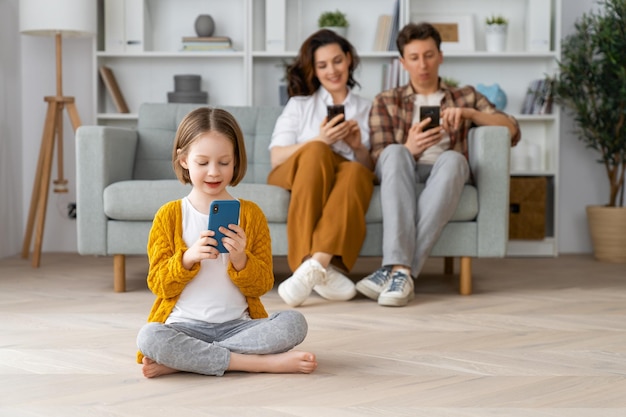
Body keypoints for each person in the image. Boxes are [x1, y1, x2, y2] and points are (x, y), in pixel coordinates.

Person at [136, 107, 317, 377]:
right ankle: (257, 363)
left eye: (223, 162)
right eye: (202, 162)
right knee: (149, 337)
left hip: (238, 326)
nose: (213, 172)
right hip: (184, 326)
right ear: (184, 160)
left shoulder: (251, 215)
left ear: (236, 161)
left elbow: (263, 283)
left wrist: (240, 259)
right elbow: (158, 284)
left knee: (294, 323)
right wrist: (187, 259)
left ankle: (187, 359)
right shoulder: (169, 216)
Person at [356, 22, 521, 307]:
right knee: (395, 152)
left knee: (455, 159)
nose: (423, 64)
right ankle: (403, 272)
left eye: (429, 55)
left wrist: (469, 113)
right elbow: (376, 157)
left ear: (440, 56)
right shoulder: (386, 100)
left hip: (445, 174)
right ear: (403, 62)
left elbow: (512, 130)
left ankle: (396, 270)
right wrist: (410, 148)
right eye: (415, 57)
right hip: (401, 170)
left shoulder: (464, 96)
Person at [267, 29, 376, 307]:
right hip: (296, 171)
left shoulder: (368, 108)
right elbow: (277, 157)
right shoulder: (299, 105)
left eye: (337, 61)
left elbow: (369, 170)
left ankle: (317, 265)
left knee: (354, 171)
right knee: (316, 151)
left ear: (349, 59)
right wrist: (320, 140)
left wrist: (357, 146)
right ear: (314, 70)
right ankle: (305, 261)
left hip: (342, 173)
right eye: (322, 65)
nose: (332, 70)